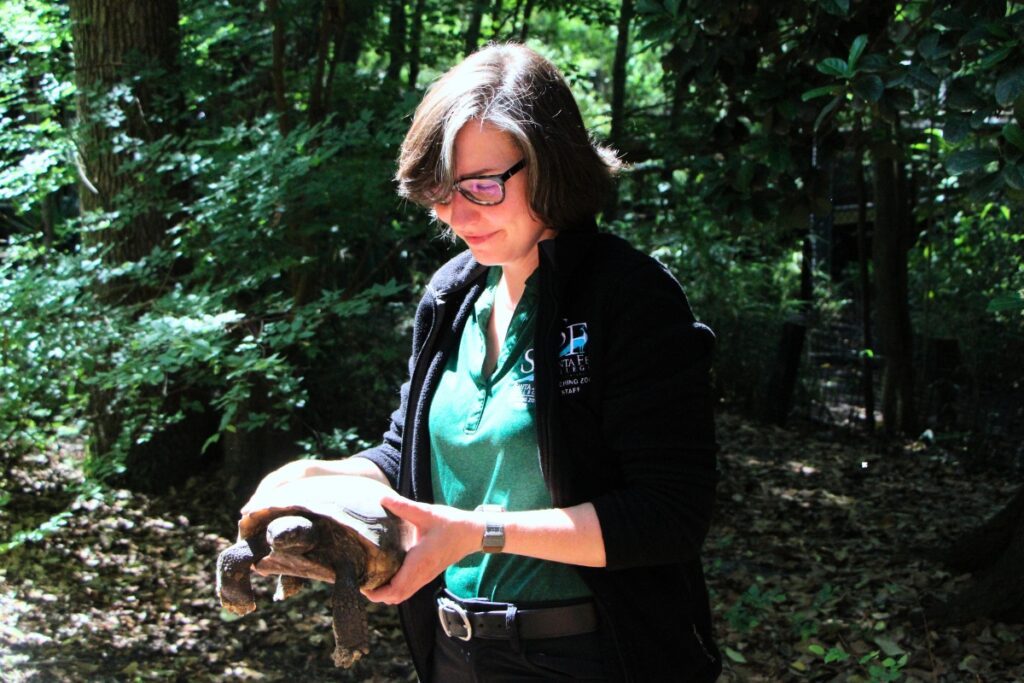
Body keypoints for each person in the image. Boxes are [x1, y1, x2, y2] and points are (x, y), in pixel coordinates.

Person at [244, 43, 721, 682]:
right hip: (453, 650)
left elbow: (669, 517)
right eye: (442, 194)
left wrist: (481, 532)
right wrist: (330, 477)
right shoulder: (454, 291)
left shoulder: (629, 296)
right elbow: (408, 450)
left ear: (551, 166)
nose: (459, 216)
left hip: (591, 655)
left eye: (482, 188)